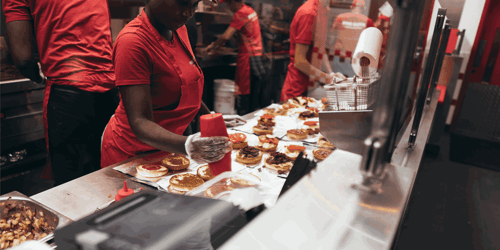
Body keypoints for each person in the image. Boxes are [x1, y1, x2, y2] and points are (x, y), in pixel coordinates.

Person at [100, 0, 232, 168]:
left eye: (194, 5)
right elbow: (140, 122)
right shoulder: (132, 42)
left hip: (167, 150)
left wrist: (213, 119)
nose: (188, 13)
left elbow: (188, 89)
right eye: (182, 3)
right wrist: (187, 145)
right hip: (132, 155)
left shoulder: (178, 29)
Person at [3, 0, 119, 185]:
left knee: (70, 184)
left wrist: (40, 76)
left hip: (68, 92)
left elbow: (23, 58)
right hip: (111, 87)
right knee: (110, 178)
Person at [205, 0, 266, 115]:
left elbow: (225, 37)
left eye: (227, 4)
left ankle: (245, 119)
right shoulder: (250, 10)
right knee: (254, 94)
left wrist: (211, 47)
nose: (228, 7)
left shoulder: (241, 13)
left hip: (248, 58)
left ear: (232, 2)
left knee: (244, 95)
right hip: (256, 55)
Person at [280, 0, 345, 101]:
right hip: (297, 92)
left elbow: (319, 48)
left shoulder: (323, 10)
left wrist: (331, 73)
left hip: (311, 87)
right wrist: (328, 79)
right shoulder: (309, 13)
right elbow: (299, 62)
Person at [329, 0, 374, 76]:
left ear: (351, 6)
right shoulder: (368, 21)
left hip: (339, 56)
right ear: (363, 9)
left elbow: (331, 37)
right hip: (356, 58)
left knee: (336, 81)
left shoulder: (340, 18)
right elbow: (371, 41)